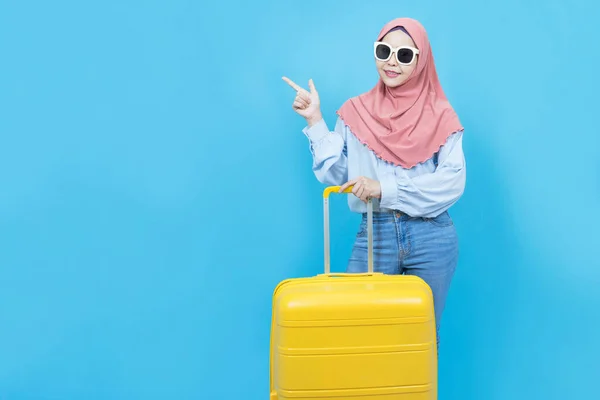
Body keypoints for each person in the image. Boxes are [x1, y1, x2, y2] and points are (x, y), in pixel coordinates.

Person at [282, 17, 465, 349]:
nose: (392, 61)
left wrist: (385, 188)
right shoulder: (356, 112)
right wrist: (315, 121)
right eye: (384, 51)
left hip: (432, 236)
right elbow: (339, 176)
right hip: (375, 232)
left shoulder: (441, 114)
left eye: (404, 55)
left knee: (419, 340)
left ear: (421, 60)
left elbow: (451, 182)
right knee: (356, 332)